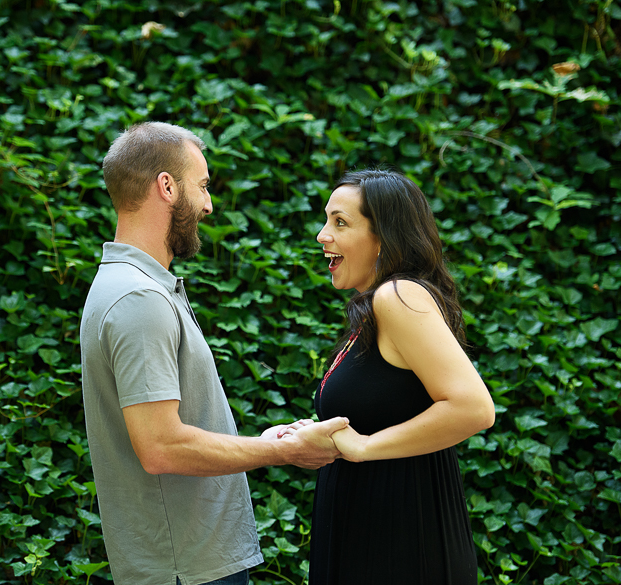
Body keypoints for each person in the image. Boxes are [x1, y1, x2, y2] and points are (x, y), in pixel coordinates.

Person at [79, 121, 348, 585]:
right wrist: (281, 453)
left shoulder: (132, 287)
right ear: (166, 186)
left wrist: (267, 442)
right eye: (202, 186)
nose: (208, 204)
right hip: (187, 569)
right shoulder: (138, 299)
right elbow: (161, 447)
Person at [281, 168, 496, 584]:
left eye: (340, 222)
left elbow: (473, 408)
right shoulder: (374, 311)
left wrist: (363, 447)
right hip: (373, 534)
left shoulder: (397, 297)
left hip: (400, 545)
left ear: (384, 239)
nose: (322, 235)